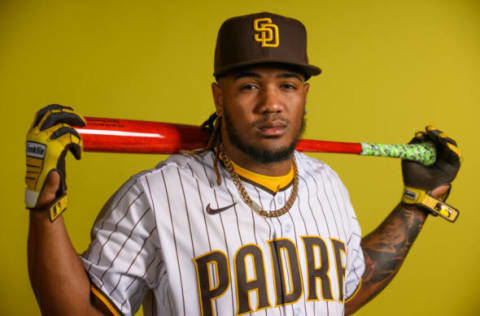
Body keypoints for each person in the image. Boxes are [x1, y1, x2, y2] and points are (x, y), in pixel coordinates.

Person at [25, 12, 461, 316]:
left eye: (287, 85)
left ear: (304, 94)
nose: (271, 105)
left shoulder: (327, 183)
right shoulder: (155, 195)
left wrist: (417, 204)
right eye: (249, 85)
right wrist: (45, 210)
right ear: (219, 97)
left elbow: (341, 295)